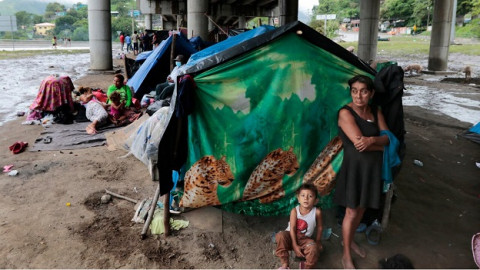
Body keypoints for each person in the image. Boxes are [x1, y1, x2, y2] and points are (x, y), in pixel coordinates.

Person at [335, 75, 390, 269]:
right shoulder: (345, 113)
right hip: (355, 169)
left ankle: (348, 241)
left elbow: (387, 138)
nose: (359, 96)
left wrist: (373, 141)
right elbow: (360, 145)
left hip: (373, 170)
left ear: (371, 93)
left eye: (364, 91)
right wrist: (379, 146)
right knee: (351, 211)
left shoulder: (376, 111)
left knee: (362, 207)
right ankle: (346, 255)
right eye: (354, 91)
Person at [275, 183, 323, 269]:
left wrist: (318, 241)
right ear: (298, 199)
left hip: (305, 239)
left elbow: (320, 227)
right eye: (303, 195)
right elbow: (292, 228)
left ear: (316, 201)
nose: (306, 198)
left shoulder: (317, 212)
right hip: (290, 235)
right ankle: (285, 265)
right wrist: (294, 245)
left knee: (313, 248)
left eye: (310, 196)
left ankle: (306, 267)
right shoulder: (294, 211)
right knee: (280, 235)